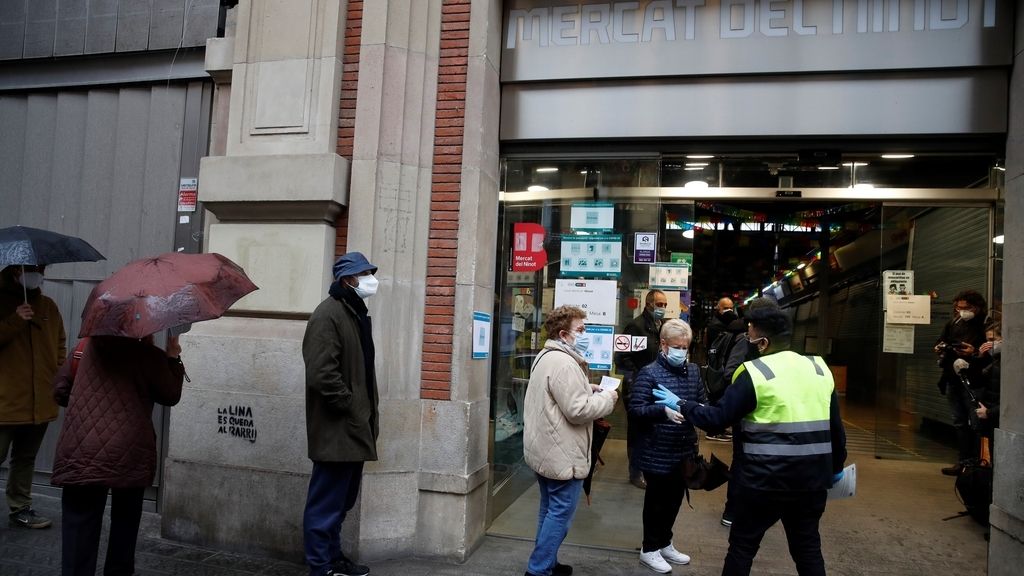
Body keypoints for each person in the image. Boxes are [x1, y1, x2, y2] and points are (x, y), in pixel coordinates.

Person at [654, 300, 847, 576]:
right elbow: (836, 429)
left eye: (750, 335)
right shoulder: (819, 368)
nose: (748, 341)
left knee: (743, 547)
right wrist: (836, 467)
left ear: (763, 342)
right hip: (812, 482)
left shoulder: (755, 373)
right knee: (808, 548)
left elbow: (717, 420)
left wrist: (682, 404)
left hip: (763, 482)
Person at [51, 334, 185, 575]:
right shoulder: (149, 355)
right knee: (125, 521)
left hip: (83, 447)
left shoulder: (84, 347)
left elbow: (60, 390)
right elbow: (170, 394)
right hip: (130, 450)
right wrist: (173, 358)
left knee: (79, 521)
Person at [302, 252, 381, 576]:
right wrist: (351, 406)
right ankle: (320, 566)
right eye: (365, 274)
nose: (371, 280)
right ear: (348, 279)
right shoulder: (329, 315)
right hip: (338, 428)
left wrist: (362, 414)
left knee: (341, 502)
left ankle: (333, 558)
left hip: (353, 427)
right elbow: (322, 374)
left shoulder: (353, 313)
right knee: (325, 504)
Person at [523, 305, 617, 576]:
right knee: (559, 514)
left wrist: (588, 388)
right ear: (563, 334)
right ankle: (538, 569)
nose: (585, 334)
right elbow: (578, 411)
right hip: (562, 455)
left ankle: (547, 563)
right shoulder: (565, 363)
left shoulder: (547, 356)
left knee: (549, 510)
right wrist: (607, 399)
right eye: (581, 329)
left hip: (546, 450)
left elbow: (556, 394)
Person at [628, 319, 703, 574]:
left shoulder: (693, 371)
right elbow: (636, 410)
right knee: (657, 502)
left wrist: (696, 410)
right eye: (677, 346)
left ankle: (664, 542)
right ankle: (649, 548)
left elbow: (702, 401)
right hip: (656, 449)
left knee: (675, 500)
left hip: (683, 448)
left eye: (685, 347)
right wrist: (662, 411)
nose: (681, 351)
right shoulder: (649, 373)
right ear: (663, 345)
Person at [0, 264, 66, 529]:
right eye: (32, 269)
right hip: (5, 400)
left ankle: (20, 508)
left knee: (25, 458)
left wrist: (57, 374)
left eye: (42, 269)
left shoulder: (48, 306)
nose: (39, 273)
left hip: (41, 401)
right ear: (15, 270)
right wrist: (15, 320)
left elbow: (59, 343)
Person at [615, 289, 667, 489]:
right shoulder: (636, 326)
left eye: (664, 305)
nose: (663, 308)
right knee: (637, 431)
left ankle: (648, 468)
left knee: (651, 430)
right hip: (637, 386)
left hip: (655, 386)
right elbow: (622, 357)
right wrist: (638, 376)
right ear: (649, 304)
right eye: (659, 304)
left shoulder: (660, 326)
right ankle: (635, 473)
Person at [933, 290, 989, 476]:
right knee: (959, 422)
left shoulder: (986, 324)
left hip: (975, 379)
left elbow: (993, 353)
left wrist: (974, 353)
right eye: (958, 308)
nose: (962, 311)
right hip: (953, 377)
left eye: (967, 308)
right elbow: (942, 340)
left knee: (977, 423)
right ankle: (963, 462)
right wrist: (940, 347)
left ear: (977, 307)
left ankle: (977, 465)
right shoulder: (954, 322)